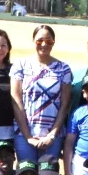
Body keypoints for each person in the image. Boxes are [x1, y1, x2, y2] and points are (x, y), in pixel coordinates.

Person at [10, 25, 72, 161]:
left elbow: (65, 104)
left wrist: (52, 135)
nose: (44, 44)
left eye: (49, 41)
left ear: (53, 42)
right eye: (39, 40)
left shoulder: (63, 68)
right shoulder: (20, 65)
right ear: (33, 41)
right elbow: (16, 100)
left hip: (53, 137)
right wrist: (28, 136)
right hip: (24, 135)